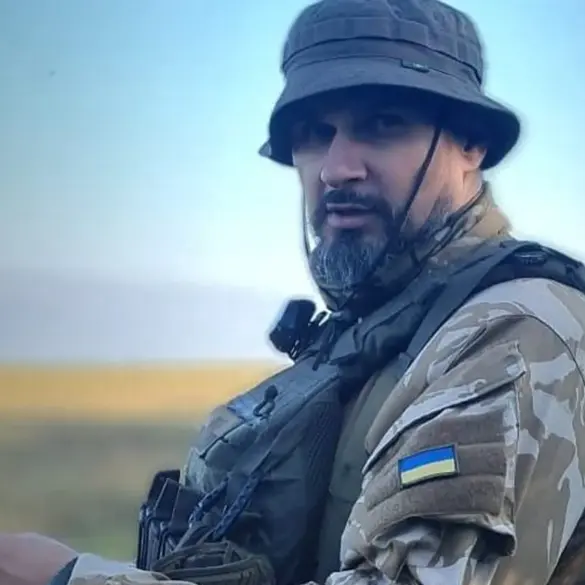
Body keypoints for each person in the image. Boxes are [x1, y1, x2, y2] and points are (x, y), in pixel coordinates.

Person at [4, 0, 585, 584]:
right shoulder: (385, 330)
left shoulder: (518, 330)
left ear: (470, 144)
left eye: (382, 125)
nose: (335, 168)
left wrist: (70, 578)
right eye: (314, 135)